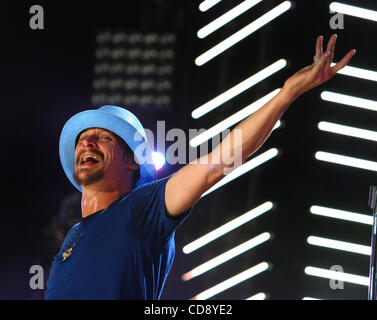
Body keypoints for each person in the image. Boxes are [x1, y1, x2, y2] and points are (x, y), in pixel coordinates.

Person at [45, 34, 355, 299]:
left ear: (131, 161)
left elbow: (217, 164)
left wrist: (287, 93)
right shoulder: (72, 236)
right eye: (83, 139)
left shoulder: (142, 208)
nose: (87, 143)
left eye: (102, 138)